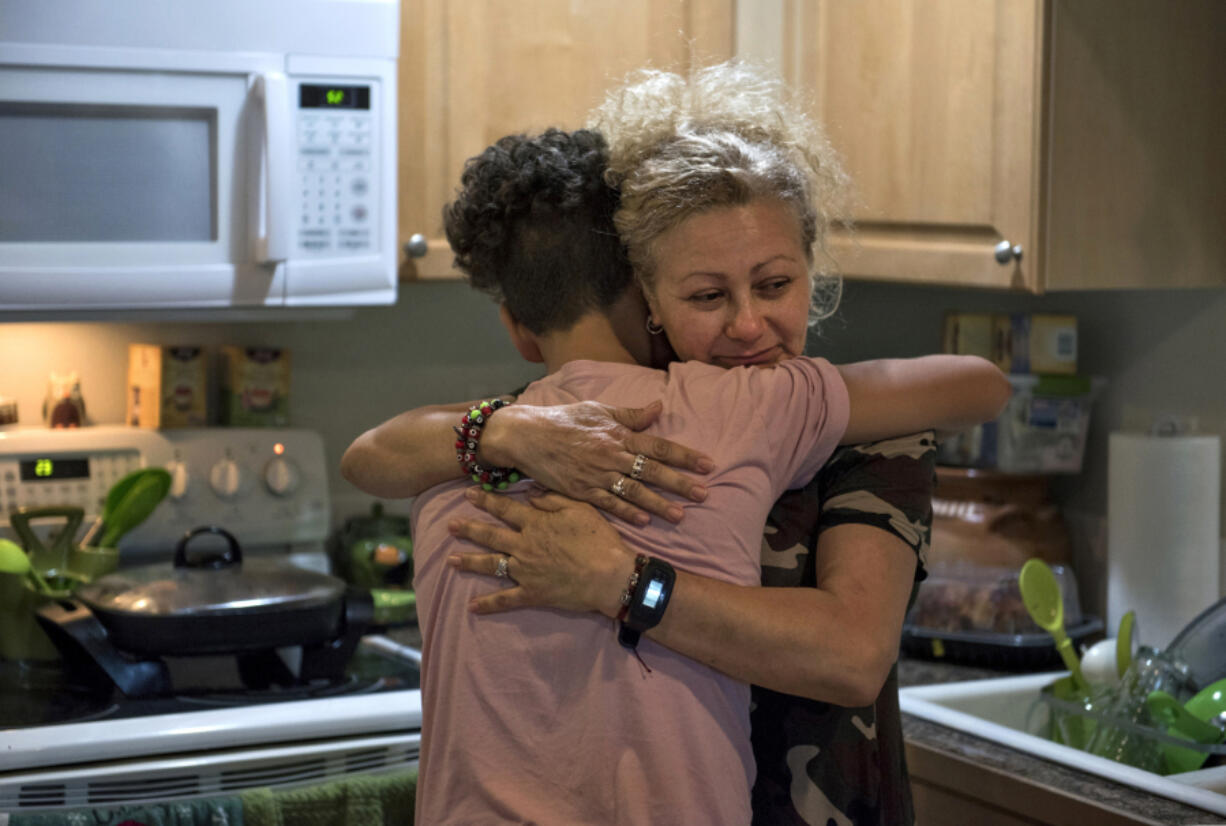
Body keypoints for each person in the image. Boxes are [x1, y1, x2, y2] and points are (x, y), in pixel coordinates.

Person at [342, 63, 1011, 825]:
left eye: (774, 284)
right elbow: (374, 453)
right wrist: (501, 430)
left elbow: (851, 656)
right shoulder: (552, 429)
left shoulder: (861, 436)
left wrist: (626, 583)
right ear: (647, 293)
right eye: (706, 294)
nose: (749, 325)